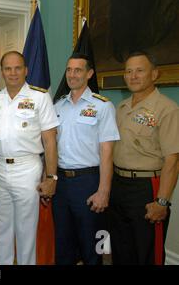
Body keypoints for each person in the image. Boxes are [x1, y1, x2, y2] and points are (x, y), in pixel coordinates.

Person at [0, 51, 59, 265]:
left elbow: (50, 141)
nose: (13, 73)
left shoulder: (40, 97)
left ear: (26, 70)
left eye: (17, 67)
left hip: (27, 168)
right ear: (2, 72)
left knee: (26, 230)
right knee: (2, 229)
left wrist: (51, 177)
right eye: (8, 68)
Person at [108, 51, 179, 265]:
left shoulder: (167, 109)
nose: (133, 76)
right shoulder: (121, 108)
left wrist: (162, 201)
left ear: (154, 74)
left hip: (146, 188)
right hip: (119, 185)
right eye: (128, 71)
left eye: (140, 70)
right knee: (121, 248)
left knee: (146, 252)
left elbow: (173, 160)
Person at [53, 53, 120, 265]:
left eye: (78, 70)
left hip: (88, 181)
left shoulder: (103, 106)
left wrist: (103, 191)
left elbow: (107, 151)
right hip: (61, 183)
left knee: (92, 244)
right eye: (69, 70)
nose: (72, 75)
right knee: (63, 244)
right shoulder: (57, 106)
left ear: (89, 74)